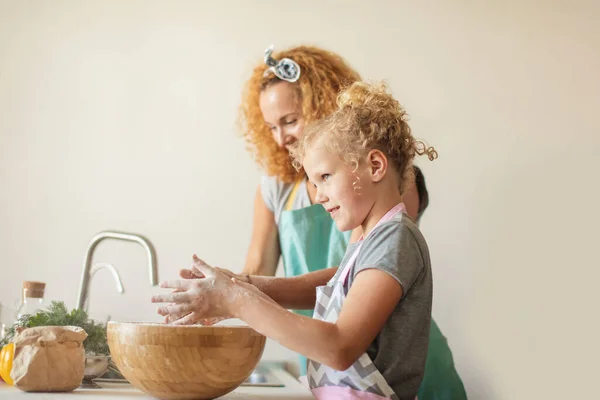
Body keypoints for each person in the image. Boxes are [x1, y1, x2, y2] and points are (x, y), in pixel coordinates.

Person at [153, 81, 437, 399]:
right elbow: (331, 288)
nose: (318, 197)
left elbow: (340, 347)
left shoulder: (394, 237)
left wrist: (236, 299)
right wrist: (241, 286)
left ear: (374, 166)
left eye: (326, 177)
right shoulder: (370, 234)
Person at [238, 45, 466, 399]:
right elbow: (266, 274)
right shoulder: (276, 189)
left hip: (386, 367)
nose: (280, 138)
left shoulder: (388, 190)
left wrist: (238, 298)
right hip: (338, 368)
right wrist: (236, 288)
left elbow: (361, 278)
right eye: (271, 126)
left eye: (290, 121)